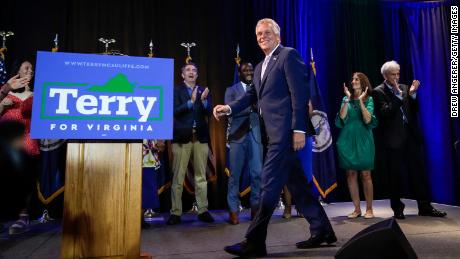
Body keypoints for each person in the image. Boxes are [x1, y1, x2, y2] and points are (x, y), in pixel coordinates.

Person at [213, 18, 336, 257]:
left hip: (287, 134)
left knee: (268, 185)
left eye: (267, 32)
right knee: (299, 187)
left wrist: (299, 129)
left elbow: (299, 94)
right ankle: (323, 230)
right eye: (258, 33)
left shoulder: (288, 55)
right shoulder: (260, 67)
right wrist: (228, 109)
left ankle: (254, 241)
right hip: (272, 135)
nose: (262, 36)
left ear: (278, 35)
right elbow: (250, 97)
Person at [373, 60, 446, 219]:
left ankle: (425, 207)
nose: (397, 77)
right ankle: (397, 209)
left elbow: (414, 110)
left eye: (398, 73)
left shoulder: (406, 88)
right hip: (393, 140)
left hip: (410, 137)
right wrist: (398, 97)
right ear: (386, 75)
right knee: (396, 176)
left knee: (418, 173)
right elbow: (385, 112)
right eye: (393, 74)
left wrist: (412, 96)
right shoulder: (379, 91)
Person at [166, 62, 215, 225]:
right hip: (182, 137)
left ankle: (203, 210)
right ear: (182, 74)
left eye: (194, 70)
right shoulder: (176, 90)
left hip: (200, 138)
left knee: (201, 177)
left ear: (197, 74)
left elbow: (210, 112)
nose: (191, 72)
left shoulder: (203, 91)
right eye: (188, 70)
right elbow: (172, 111)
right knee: (178, 177)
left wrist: (204, 102)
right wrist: (190, 102)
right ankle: (175, 212)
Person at [0, 58, 39, 234]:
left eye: (32, 69)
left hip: (27, 138)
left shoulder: (36, 93)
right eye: (26, 68)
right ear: (18, 71)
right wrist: (2, 102)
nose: (30, 71)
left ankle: (23, 217)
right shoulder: (5, 92)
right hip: (5, 141)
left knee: (24, 178)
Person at [225, 62, 262, 225]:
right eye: (245, 69)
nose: (249, 71)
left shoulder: (258, 89)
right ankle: (233, 210)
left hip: (256, 135)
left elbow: (263, 109)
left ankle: (255, 209)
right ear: (239, 73)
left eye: (251, 69)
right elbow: (232, 110)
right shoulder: (231, 90)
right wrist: (251, 107)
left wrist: (254, 107)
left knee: (257, 174)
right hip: (237, 136)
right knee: (235, 175)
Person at [336, 72, 377, 219]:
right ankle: (357, 209)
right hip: (347, 139)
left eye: (356, 79)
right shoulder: (346, 98)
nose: (353, 82)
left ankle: (370, 209)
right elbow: (341, 117)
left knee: (366, 174)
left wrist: (360, 101)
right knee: (351, 174)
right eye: (352, 79)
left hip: (364, 139)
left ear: (363, 82)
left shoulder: (369, 99)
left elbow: (367, 120)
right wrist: (347, 99)